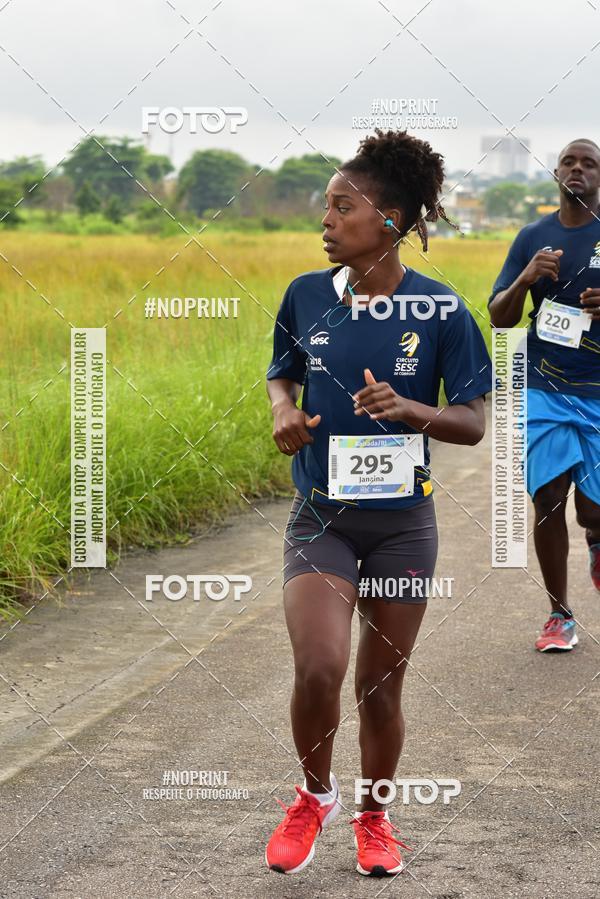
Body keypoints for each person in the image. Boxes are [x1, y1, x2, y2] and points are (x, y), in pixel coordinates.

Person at [264, 128, 492, 877]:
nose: (325, 221)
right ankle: (313, 794)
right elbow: (281, 375)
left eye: (342, 207)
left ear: (389, 220)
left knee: (379, 687)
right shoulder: (304, 294)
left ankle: (375, 817)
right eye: (326, 206)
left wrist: (412, 411)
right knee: (320, 667)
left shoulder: (443, 311)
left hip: (401, 530)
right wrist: (282, 413)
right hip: (321, 518)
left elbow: (472, 421)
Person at [488, 138, 600, 653]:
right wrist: (526, 278)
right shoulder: (534, 237)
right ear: (556, 173)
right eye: (569, 162)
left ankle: (596, 543)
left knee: (592, 512)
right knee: (549, 501)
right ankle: (559, 613)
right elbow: (500, 315)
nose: (577, 169)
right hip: (544, 386)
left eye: (589, 163)